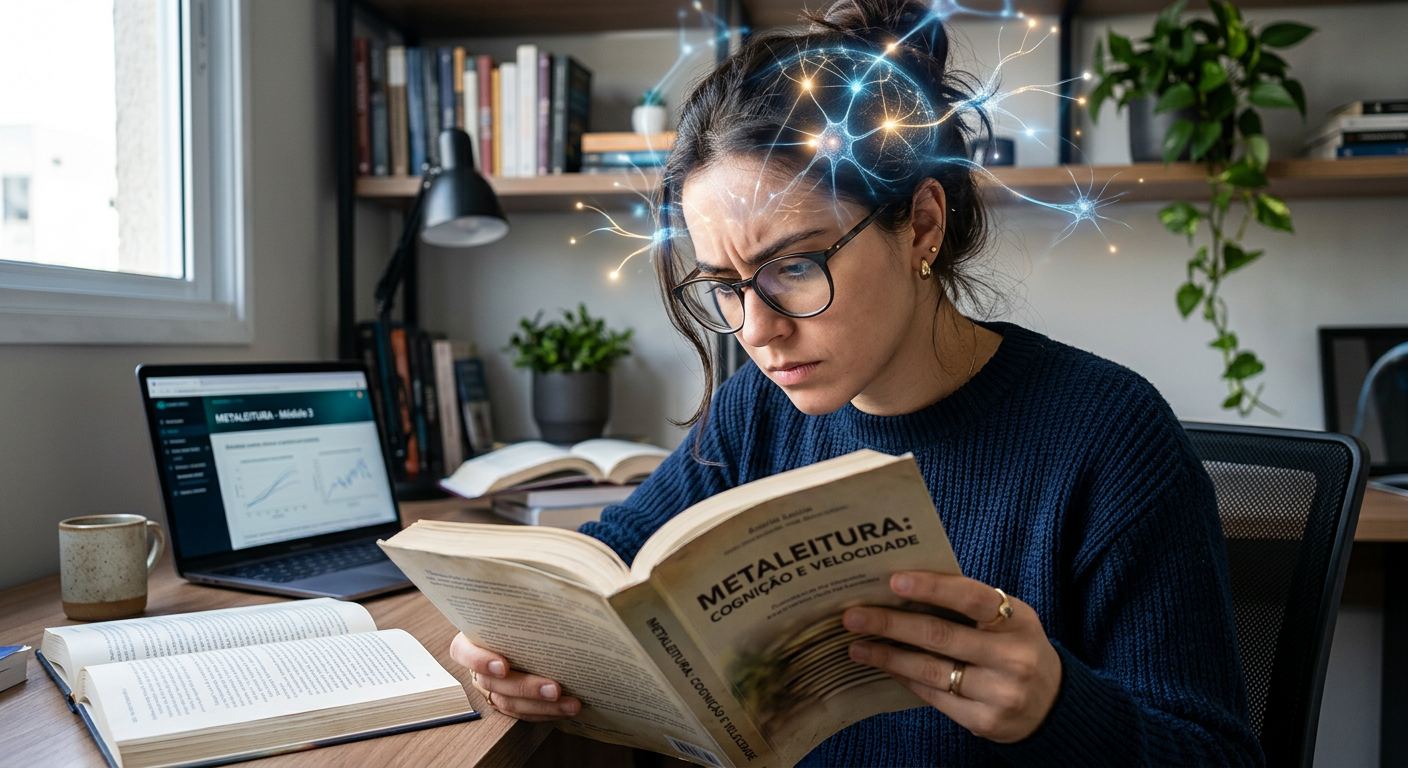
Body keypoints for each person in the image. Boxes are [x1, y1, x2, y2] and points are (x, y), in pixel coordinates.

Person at [450, 0, 1263, 764]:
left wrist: (1056, 707)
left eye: (795, 267)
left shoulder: (1109, 438)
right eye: (725, 287)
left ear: (923, 224)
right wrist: (500, 630)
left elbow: (1217, 754)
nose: (758, 330)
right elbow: (612, 561)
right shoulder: (756, 412)